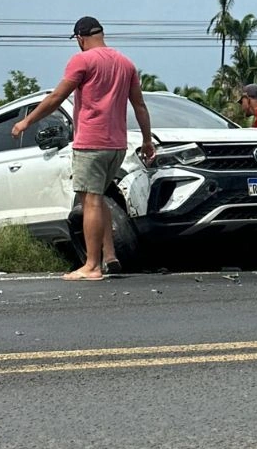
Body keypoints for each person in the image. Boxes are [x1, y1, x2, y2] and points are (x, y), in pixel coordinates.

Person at [10, 16, 154, 281]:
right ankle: (110, 257)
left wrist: (26, 122)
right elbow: (140, 106)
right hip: (117, 145)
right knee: (99, 199)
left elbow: (56, 97)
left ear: (80, 37)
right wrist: (147, 140)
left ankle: (92, 265)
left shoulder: (83, 60)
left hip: (91, 142)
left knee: (90, 201)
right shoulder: (126, 63)